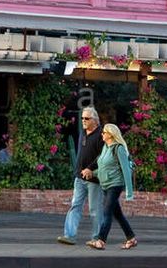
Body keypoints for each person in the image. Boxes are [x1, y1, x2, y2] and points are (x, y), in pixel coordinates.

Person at [86, 123, 137, 251]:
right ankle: (131, 238)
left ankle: (100, 240)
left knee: (106, 212)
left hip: (115, 185)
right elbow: (104, 168)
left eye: (104, 132)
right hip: (105, 185)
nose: (101, 134)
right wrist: (93, 172)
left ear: (110, 134)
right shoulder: (105, 148)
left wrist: (129, 193)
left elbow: (125, 170)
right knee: (118, 214)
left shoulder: (118, 148)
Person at [57, 106, 104, 245]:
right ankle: (69, 235)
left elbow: (103, 156)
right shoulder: (83, 133)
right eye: (82, 118)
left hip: (94, 179)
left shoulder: (101, 135)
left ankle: (97, 238)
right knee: (75, 206)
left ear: (95, 120)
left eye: (86, 118)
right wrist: (78, 171)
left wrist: (90, 169)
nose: (83, 120)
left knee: (94, 210)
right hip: (80, 178)